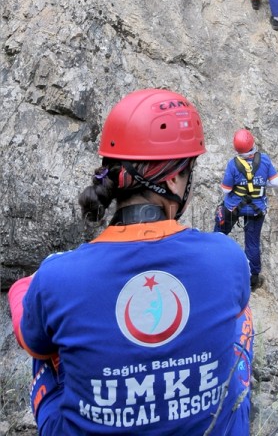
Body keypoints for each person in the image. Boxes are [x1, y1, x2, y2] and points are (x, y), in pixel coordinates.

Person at [8, 89, 252, 436]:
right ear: (173, 177)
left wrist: (25, 287)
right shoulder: (225, 258)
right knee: (242, 313)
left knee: (43, 332)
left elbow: (30, 338)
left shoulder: (58, 276)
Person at [214, 129, 278, 291]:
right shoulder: (264, 160)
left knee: (218, 234)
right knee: (252, 243)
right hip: (256, 209)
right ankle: (253, 279)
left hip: (234, 207)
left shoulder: (233, 164)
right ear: (252, 144)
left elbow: (226, 190)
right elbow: (275, 182)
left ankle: (213, 265)